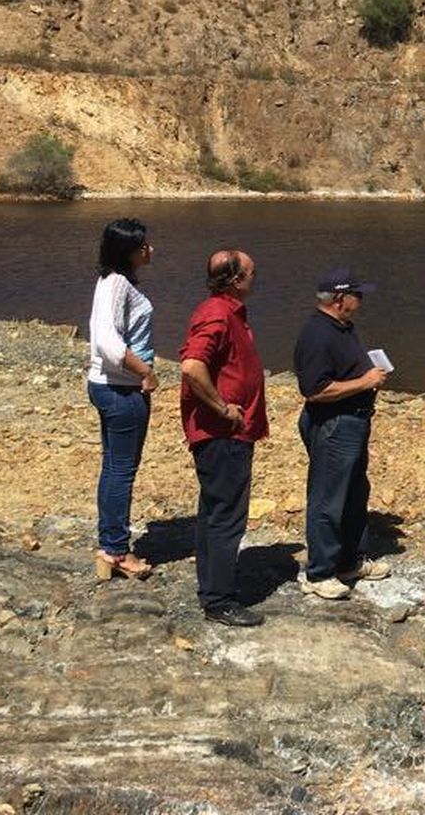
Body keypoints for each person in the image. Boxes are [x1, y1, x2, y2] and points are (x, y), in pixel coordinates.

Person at [179, 249, 268, 628]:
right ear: (235, 279)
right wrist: (222, 408)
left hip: (228, 433)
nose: (255, 276)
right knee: (226, 515)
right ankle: (219, 599)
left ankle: (213, 588)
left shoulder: (227, 310)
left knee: (216, 511)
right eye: (251, 271)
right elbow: (192, 366)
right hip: (222, 434)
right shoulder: (217, 313)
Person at [293, 266, 391, 601]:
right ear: (339, 298)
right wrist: (364, 382)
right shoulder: (317, 334)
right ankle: (319, 572)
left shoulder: (341, 327)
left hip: (354, 420)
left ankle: (349, 561)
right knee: (328, 498)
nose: (360, 300)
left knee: (354, 493)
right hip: (334, 424)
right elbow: (314, 390)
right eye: (356, 294)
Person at [86, 218, 158, 582]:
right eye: (143, 245)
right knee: (121, 471)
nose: (150, 249)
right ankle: (115, 550)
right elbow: (109, 344)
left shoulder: (111, 282)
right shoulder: (118, 285)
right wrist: (144, 372)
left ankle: (108, 544)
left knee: (113, 467)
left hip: (107, 386)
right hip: (121, 390)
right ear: (128, 251)